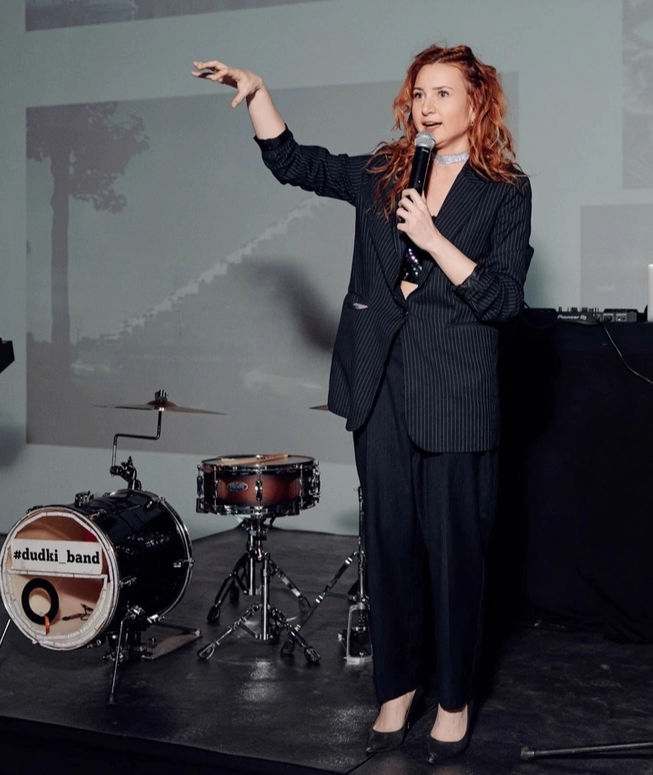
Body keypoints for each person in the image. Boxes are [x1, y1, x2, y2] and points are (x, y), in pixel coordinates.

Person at [192, 44, 533, 763]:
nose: (426, 107)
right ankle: (396, 690)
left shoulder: (505, 189)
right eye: (419, 94)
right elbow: (297, 163)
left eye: (442, 93)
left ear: (477, 101)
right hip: (381, 385)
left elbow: (504, 299)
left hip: (456, 395)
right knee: (389, 551)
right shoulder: (386, 170)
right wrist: (258, 92)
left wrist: (433, 238)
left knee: (455, 559)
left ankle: (453, 700)